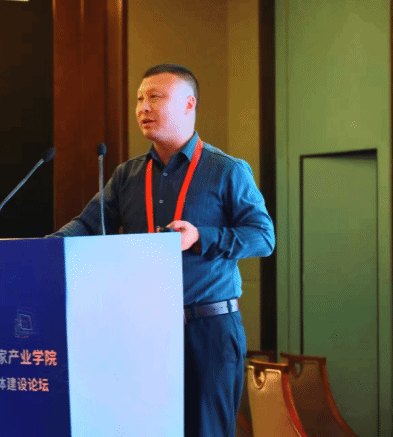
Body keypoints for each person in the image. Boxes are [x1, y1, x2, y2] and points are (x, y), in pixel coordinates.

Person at [51, 64, 274, 436]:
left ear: (189, 104)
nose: (143, 107)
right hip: (143, 329)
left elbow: (263, 237)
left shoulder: (226, 170)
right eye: (139, 98)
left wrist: (200, 236)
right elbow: (87, 225)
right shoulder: (127, 175)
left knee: (207, 430)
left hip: (208, 328)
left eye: (155, 97)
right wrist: (42, 250)